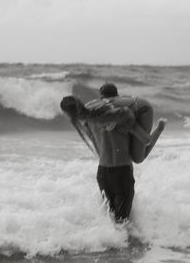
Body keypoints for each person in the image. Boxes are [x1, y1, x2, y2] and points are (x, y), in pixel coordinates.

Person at [60, 84, 166, 223]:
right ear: (117, 96)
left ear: (101, 97)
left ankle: (110, 243)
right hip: (122, 174)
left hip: (102, 174)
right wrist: (159, 129)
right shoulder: (124, 118)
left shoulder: (91, 120)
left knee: (111, 221)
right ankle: (125, 244)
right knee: (122, 223)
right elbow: (146, 141)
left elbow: (97, 148)